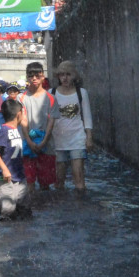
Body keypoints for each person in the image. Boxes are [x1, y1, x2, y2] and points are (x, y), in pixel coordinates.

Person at [47, 61, 94, 192]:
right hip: (57, 139)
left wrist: (89, 137)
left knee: (79, 178)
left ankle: (81, 205)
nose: (65, 78)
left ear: (74, 76)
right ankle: (62, 206)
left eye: (68, 74)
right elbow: (47, 118)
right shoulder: (52, 93)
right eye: (62, 75)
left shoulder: (81, 93)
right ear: (58, 76)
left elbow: (87, 116)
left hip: (77, 138)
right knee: (59, 180)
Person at [0, 99, 32, 221]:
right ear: (19, 114)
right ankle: (7, 238)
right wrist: (5, 169)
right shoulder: (4, 131)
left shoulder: (15, 130)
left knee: (25, 211)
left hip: (19, 177)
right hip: (5, 179)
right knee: (8, 214)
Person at [19, 62, 57, 192]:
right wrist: (29, 142)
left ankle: (45, 210)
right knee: (29, 183)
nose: (34, 78)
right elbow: (23, 120)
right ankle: (31, 209)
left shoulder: (51, 98)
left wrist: (44, 142)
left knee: (45, 184)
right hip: (26, 146)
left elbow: (51, 123)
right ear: (27, 77)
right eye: (31, 76)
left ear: (43, 77)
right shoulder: (21, 97)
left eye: (37, 75)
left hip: (47, 147)